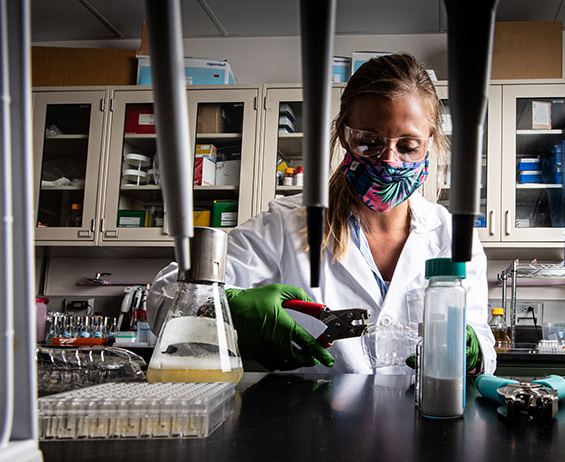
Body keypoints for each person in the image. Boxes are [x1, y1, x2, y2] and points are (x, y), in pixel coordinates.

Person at [148, 53, 496, 375]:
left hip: (426, 424)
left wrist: (474, 351)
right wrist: (226, 310)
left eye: (407, 146)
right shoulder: (287, 224)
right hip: (310, 429)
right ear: (344, 137)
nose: (389, 161)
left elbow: (483, 343)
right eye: (369, 142)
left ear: (431, 142)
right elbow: (164, 293)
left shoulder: (453, 236)